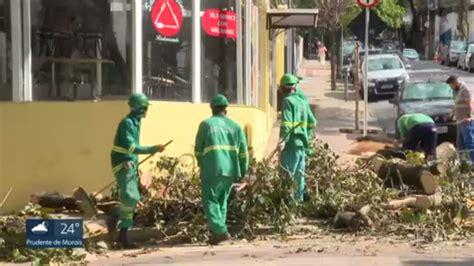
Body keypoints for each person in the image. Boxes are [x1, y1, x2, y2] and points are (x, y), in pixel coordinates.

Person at [108, 93, 167, 249]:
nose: (146, 111)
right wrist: (153, 148)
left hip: (131, 162)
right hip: (122, 162)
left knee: (133, 198)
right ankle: (116, 217)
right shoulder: (127, 123)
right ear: (139, 108)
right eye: (145, 108)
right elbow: (131, 147)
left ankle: (123, 235)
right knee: (131, 196)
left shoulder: (136, 123)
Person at [194, 94, 249, 245]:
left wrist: (201, 164)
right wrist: (243, 172)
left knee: (211, 201)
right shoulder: (236, 127)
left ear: (212, 108)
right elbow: (244, 153)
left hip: (212, 169)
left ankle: (221, 232)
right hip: (230, 170)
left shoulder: (206, 124)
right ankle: (219, 234)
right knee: (221, 201)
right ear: (226, 109)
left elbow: (198, 150)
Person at [279, 78, 315, 201]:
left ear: (283, 88)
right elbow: (312, 122)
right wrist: (308, 136)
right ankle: (298, 202)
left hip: (291, 144)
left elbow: (287, 123)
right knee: (300, 175)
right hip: (302, 144)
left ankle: (288, 203)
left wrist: (283, 140)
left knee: (288, 174)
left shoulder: (288, 102)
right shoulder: (303, 102)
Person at [446, 75, 474, 163]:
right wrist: (451, 114)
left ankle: (473, 163)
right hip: (459, 121)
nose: (451, 87)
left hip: (466, 120)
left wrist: (469, 116)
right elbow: (456, 105)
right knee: (460, 143)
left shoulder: (464, 90)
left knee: (469, 142)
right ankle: (464, 163)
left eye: (451, 85)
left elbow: (470, 103)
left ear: (456, 83)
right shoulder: (456, 91)